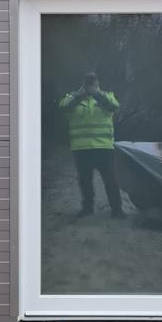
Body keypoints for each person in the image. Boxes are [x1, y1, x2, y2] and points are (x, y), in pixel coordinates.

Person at [59, 70, 125, 218]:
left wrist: (96, 94)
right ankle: (87, 208)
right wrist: (79, 96)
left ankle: (117, 210)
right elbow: (64, 108)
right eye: (88, 82)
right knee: (85, 181)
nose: (90, 84)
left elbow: (113, 107)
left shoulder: (107, 96)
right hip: (81, 148)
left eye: (92, 81)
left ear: (98, 82)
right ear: (83, 83)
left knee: (110, 180)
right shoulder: (71, 97)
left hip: (104, 147)